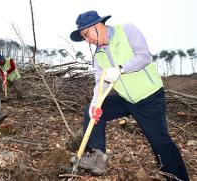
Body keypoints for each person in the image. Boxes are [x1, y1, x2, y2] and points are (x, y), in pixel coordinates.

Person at [70, 10, 189, 180]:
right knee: (92, 111)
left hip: (149, 97)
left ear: (98, 25)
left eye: (87, 34)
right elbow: (100, 82)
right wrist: (95, 104)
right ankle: (97, 156)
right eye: (84, 38)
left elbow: (144, 56)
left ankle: (178, 178)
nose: (87, 40)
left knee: (160, 142)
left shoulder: (126, 30)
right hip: (126, 99)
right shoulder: (99, 55)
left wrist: (120, 69)